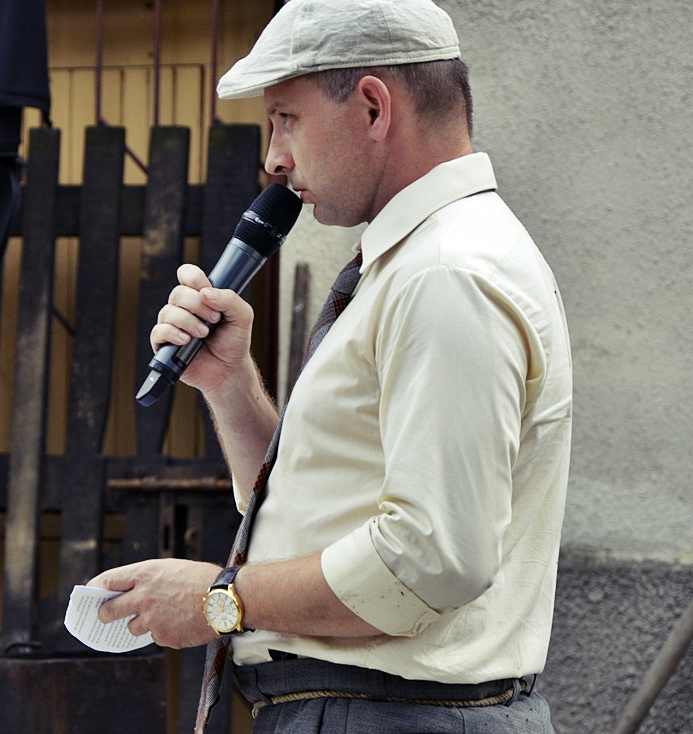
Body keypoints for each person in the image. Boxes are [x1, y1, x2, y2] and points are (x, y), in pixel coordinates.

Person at [89, 1, 573, 732]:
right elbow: (332, 518)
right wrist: (230, 384)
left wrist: (219, 598)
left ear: (374, 107)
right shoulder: (419, 263)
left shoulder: (445, 274)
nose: (274, 158)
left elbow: (428, 560)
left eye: (286, 117)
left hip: (392, 716)